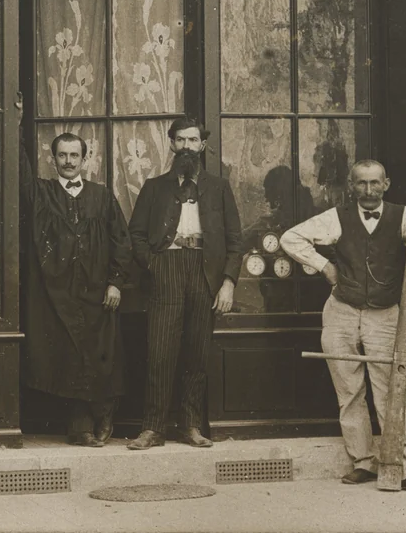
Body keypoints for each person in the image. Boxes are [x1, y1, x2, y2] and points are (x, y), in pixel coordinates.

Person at [280, 161, 406, 495]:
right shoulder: (337, 217)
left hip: (385, 315)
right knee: (349, 391)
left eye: (375, 183)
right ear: (352, 185)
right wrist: (324, 266)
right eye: (362, 183)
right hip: (341, 311)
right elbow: (291, 238)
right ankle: (362, 462)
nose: (369, 190)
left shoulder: (403, 216)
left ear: (386, 184)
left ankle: (405, 468)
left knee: (392, 392)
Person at [17, 96, 134, 446]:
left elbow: (122, 242)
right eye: (62, 156)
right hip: (59, 294)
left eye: (74, 155)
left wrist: (115, 283)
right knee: (69, 358)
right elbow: (20, 173)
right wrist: (17, 123)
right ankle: (80, 426)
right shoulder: (42, 193)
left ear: (85, 159)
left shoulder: (101, 196)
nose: (68, 162)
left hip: (98, 292)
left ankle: (105, 414)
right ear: (53, 160)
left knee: (102, 357)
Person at [126, 117, 242, 450]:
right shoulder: (154, 187)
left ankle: (190, 425)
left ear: (202, 146)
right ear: (172, 144)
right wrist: (154, 264)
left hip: (205, 272)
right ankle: (152, 428)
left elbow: (235, 240)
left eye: (193, 140)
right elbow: (136, 235)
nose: (187, 146)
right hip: (166, 268)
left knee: (197, 352)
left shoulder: (219, 188)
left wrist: (228, 282)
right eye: (181, 140)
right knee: (160, 352)